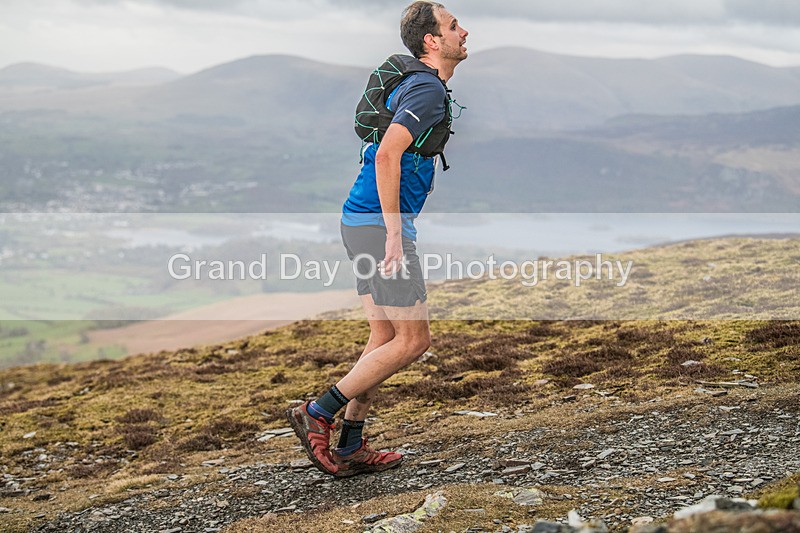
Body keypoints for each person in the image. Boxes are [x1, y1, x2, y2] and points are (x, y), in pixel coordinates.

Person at [287, 1, 468, 477]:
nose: (463, 32)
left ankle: (350, 444)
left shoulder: (416, 84)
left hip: (358, 218)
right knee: (413, 340)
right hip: (379, 226)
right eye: (453, 26)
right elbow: (388, 157)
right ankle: (318, 413)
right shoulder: (426, 89)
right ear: (432, 41)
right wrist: (393, 234)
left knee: (384, 335)